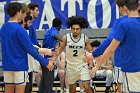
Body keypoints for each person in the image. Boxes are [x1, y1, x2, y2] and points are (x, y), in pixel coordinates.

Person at [86, 0, 140, 92]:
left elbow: (110, 45)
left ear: (124, 7)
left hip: (128, 66)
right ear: (138, 6)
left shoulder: (122, 23)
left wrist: (95, 58)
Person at [0, 2, 54, 93]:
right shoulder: (20, 29)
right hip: (20, 67)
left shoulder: (3, 28)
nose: (24, 16)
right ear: (19, 12)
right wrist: (46, 63)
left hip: (7, 66)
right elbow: (31, 50)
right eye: (24, 13)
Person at [57, 16, 92, 93]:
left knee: (86, 87)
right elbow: (60, 48)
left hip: (82, 65)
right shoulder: (66, 37)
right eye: (73, 29)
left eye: (77, 29)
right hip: (70, 66)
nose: (75, 31)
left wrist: (91, 61)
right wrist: (54, 57)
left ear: (81, 29)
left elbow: (91, 52)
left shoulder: (85, 38)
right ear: (71, 29)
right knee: (72, 90)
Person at [38, 18, 62, 93]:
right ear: (59, 26)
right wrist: (65, 41)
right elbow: (55, 35)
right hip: (48, 58)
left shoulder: (48, 31)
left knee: (44, 79)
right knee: (49, 79)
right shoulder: (54, 31)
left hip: (43, 57)